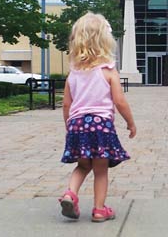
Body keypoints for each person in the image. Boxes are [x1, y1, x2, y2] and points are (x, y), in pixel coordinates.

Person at [59, 12, 137, 223]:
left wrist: (69, 126)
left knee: (83, 165)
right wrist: (130, 123)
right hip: (100, 125)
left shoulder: (73, 73)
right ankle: (99, 209)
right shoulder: (108, 71)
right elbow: (119, 101)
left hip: (77, 125)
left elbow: (67, 103)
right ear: (105, 41)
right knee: (100, 170)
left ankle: (70, 194)